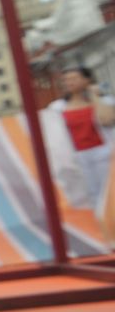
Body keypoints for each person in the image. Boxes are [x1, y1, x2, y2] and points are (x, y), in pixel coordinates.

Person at [45, 67, 114, 238]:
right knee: (86, 196)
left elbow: (107, 120)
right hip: (75, 157)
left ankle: (109, 231)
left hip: (103, 154)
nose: (69, 83)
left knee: (108, 195)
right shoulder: (57, 108)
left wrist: (95, 95)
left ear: (87, 80)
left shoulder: (105, 101)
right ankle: (98, 233)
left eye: (74, 78)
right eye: (66, 80)